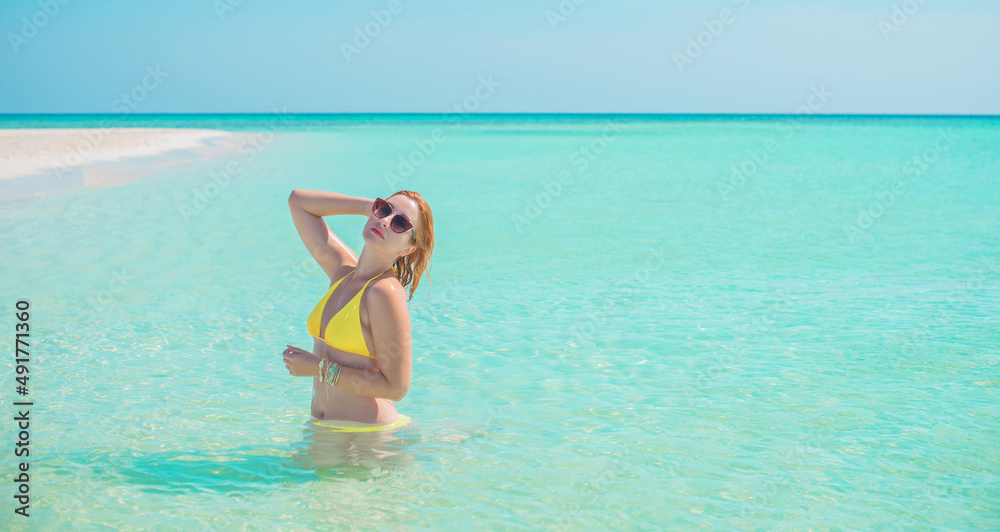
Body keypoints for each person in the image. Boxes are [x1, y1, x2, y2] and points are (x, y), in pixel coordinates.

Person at [283, 189, 434, 431]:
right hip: (327, 430)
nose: (385, 220)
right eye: (384, 209)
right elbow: (298, 203)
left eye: (400, 223)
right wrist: (368, 207)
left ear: (407, 249)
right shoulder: (342, 271)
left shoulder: (386, 293)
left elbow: (397, 388)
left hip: (366, 441)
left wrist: (318, 369)